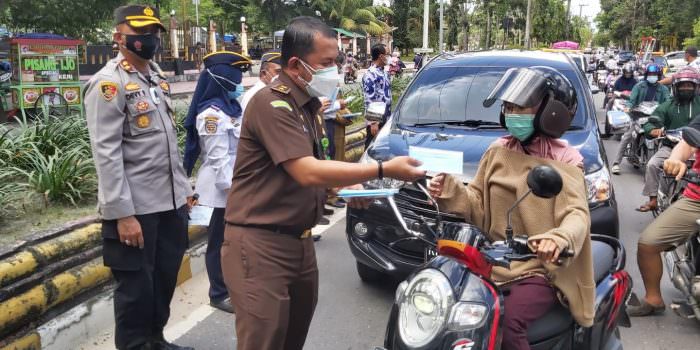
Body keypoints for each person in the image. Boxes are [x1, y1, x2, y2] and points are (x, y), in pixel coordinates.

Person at [220, 16, 425, 350]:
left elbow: (302, 174)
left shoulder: (308, 107)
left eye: (336, 61)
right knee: (264, 340)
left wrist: (340, 188)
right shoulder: (272, 103)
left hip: (299, 243)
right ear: (295, 64)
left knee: (292, 338)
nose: (334, 71)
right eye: (326, 63)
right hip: (260, 245)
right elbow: (306, 171)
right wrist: (382, 170)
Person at [427, 66, 594, 350]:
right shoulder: (498, 151)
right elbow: (477, 205)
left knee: (507, 321)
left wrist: (557, 239)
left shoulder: (566, 160)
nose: (512, 113)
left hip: (540, 268)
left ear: (550, 112)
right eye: (508, 106)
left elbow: (576, 215)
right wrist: (451, 191)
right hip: (494, 258)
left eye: (522, 107)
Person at [83, 5, 194, 350]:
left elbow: (164, 145)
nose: (151, 39)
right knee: (135, 288)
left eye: (155, 32)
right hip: (136, 209)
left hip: (170, 203)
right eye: (142, 32)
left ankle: (155, 340)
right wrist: (122, 214)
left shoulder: (155, 78)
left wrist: (184, 190)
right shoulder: (109, 84)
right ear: (119, 37)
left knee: (163, 280)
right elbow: (107, 154)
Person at [182, 51, 251, 314]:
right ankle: (218, 293)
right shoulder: (211, 115)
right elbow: (219, 160)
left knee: (234, 241)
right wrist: (235, 192)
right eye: (236, 77)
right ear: (223, 79)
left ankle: (233, 285)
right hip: (221, 189)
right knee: (219, 242)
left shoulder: (232, 107)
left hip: (237, 184)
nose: (240, 83)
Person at [628, 115, 700, 316]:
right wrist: (676, 159)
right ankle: (653, 298)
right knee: (648, 243)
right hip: (696, 200)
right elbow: (686, 144)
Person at [635, 67, 700, 212]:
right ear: (675, 87)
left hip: (696, 150)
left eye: (689, 85)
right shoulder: (668, 105)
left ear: (695, 87)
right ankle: (653, 199)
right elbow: (651, 122)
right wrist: (652, 129)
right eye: (682, 85)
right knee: (652, 164)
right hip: (670, 147)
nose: (686, 88)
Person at [610, 63, 670, 175]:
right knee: (627, 136)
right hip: (639, 116)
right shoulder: (639, 86)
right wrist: (628, 107)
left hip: (655, 119)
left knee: (667, 137)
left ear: (659, 75)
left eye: (655, 74)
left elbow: (668, 101)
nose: (653, 76)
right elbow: (632, 100)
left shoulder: (663, 89)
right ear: (647, 75)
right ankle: (616, 163)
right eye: (651, 74)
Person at [362, 43, 391, 145]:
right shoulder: (370, 74)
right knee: (371, 146)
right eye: (388, 54)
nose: (389, 57)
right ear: (381, 56)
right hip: (376, 119)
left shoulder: (384, 73)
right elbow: (369, 99)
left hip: (386, 117)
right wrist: (373, 122)